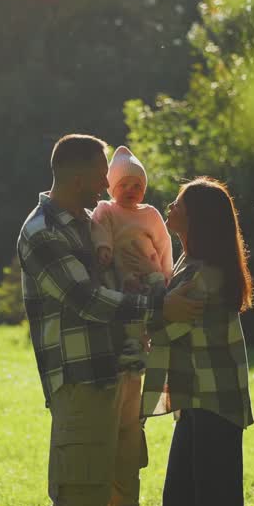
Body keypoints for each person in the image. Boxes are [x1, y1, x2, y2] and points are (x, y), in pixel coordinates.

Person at [17, 134, 204, 506]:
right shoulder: (43, 232)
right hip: (83, 384)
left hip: (125, 376)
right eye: (101, 175)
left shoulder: (97, 222)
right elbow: (86, 300)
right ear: (78, 176)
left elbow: (131, 277)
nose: (107, 184)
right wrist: (160, 308)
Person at [131, 177, 254, 506]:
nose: (170, 207)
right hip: (197, 405)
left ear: (197, 219)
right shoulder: (191, 263)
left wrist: (137, 294)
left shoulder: (206, 275)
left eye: (179, 204)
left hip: (214, 408)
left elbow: (161, 329)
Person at [90, 145, 175, 363]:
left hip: (151, 271)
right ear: (112, 188)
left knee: (152, 310)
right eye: (123, 185)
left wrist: (166, 273)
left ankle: (146, 346)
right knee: (130, 310)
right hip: (122, 273)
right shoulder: (107, 209)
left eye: (137, 185)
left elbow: (164, 243)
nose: (131, 190)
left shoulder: (150, 214)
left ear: (144, 190)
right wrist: (103, 247)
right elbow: (99, 226)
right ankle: (132, 347)